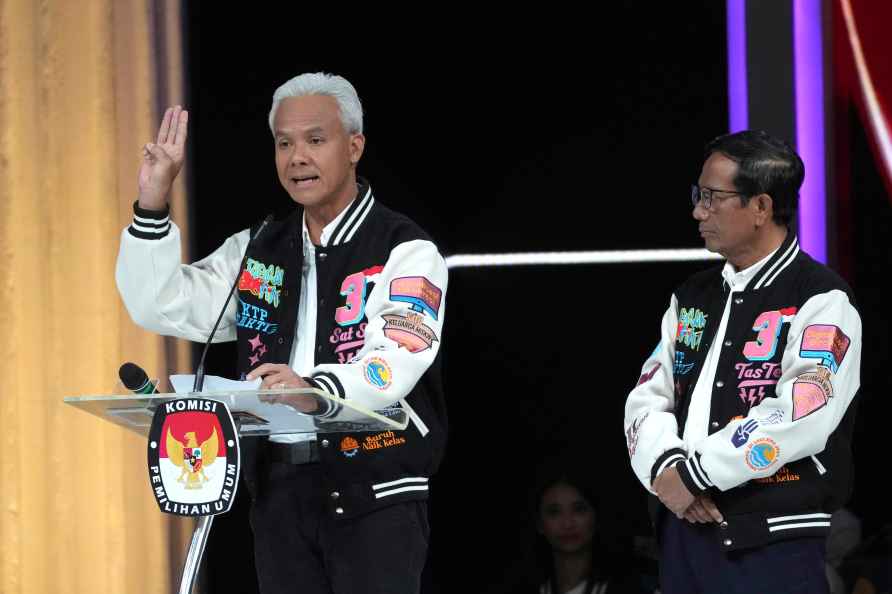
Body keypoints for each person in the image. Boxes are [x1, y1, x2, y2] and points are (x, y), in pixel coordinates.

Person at [116, 73, 448, 594]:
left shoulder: (404, 247)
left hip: (375, 492)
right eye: (284, 143)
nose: (297, 157)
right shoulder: (259, 246)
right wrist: (152, 203)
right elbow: (162, 304)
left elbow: (397, 358)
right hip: (278, 492)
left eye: (316, 140)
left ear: (354, 146)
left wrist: (315, 391)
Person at [623, 130, 862, 594]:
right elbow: (647, 395)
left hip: (774, 539)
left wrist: (695, 474)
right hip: (684, 533)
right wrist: (666, 468)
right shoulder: (691, 294)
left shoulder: (821, 297)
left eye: (712, 197)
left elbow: (803, 411)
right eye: (698, 195)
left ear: (761, 208)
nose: (698, 211)